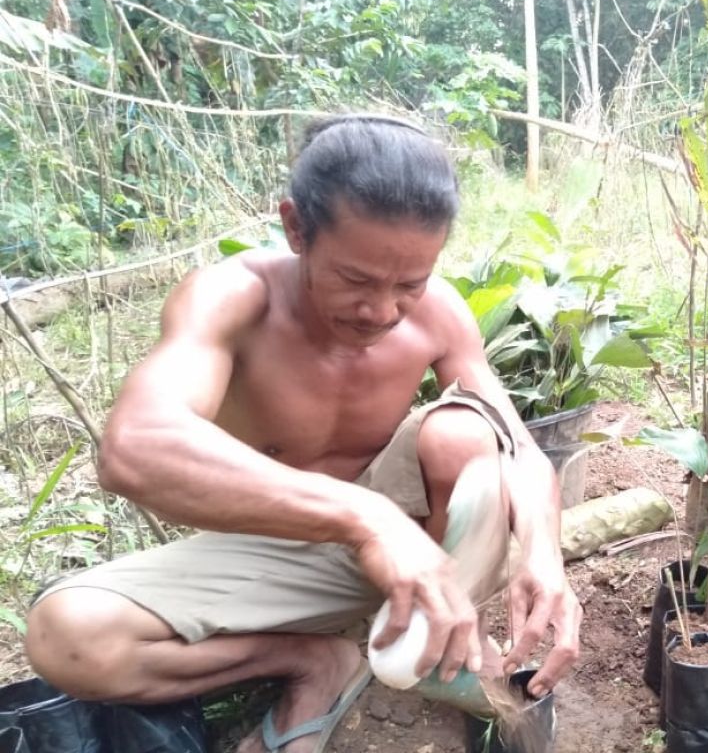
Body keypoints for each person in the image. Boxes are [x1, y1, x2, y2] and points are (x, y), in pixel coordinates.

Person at [22, 114, 583, 753]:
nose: (382, 311)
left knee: (466, 436)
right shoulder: (231, 298)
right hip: (281, 547)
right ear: (296, 228)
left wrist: (544, 552)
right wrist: (365, 519)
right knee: (67, 634)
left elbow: (523, 451)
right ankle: (313, 662)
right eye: (355, 279)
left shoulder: (440, 313)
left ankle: (435, 632)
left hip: (418, 552)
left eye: (409, 283)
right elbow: (135, 448)